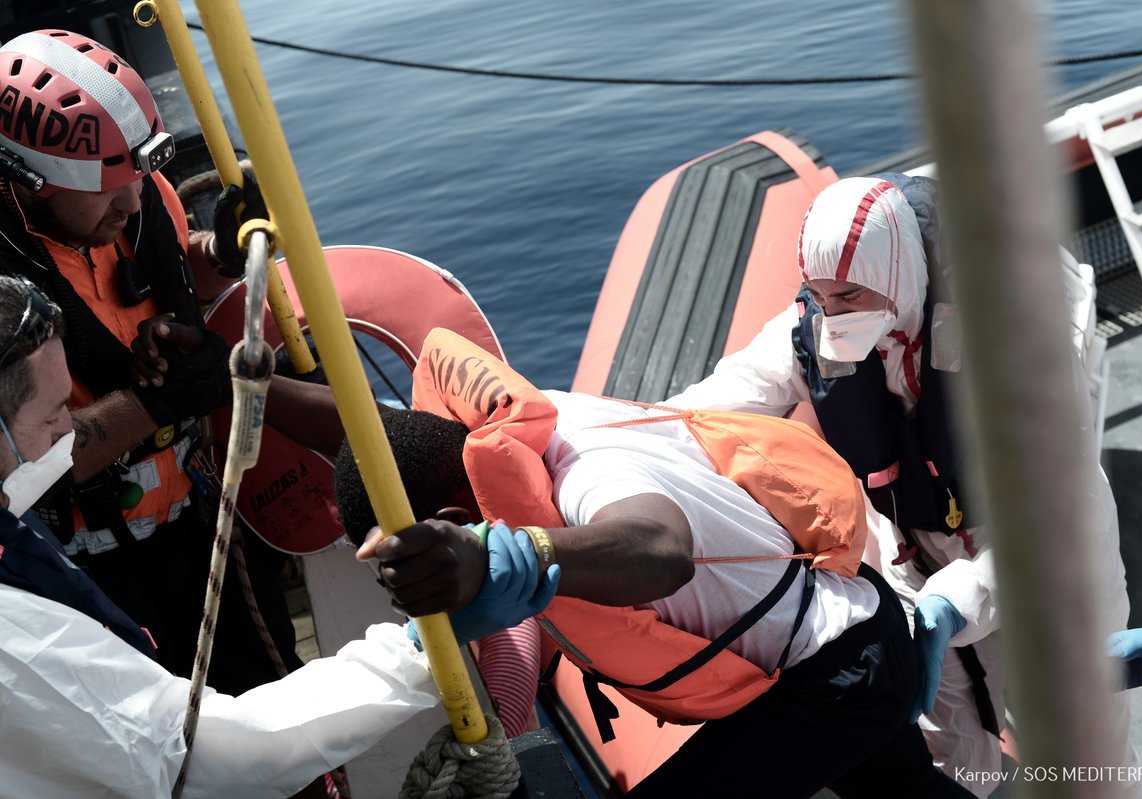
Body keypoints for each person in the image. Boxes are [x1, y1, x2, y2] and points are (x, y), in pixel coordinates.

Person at [335, 326, 973, 798]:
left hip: (836, 670)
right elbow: (355, 434)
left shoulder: (585, 478)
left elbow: (661, 549)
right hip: (853, 629)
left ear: (450, 527)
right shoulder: (506, 431)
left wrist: (507, 557)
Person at [666, 175, 1132, 796]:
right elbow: (709, 410)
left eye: (851, 295)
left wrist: (959, 597)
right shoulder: (817, 327)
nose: (832, 315)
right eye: (817, 295)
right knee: (952, 744)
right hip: (913, 548)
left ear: (899, 272)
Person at [0, 275, 443, 798]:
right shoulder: (15, 638)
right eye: (53, 416)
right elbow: (194, 756)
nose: (69, 432)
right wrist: (417, 653)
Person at [0, 28, 309, 693]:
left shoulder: (134, 199)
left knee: (272, 690)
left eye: (135, 173)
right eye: (101, 187)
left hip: (201, 520)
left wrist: (217, 253)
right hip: (89, 574)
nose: (132, 201)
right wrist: (159, 401)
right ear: (25, 182)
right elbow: (22, 463)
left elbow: (165, 264)